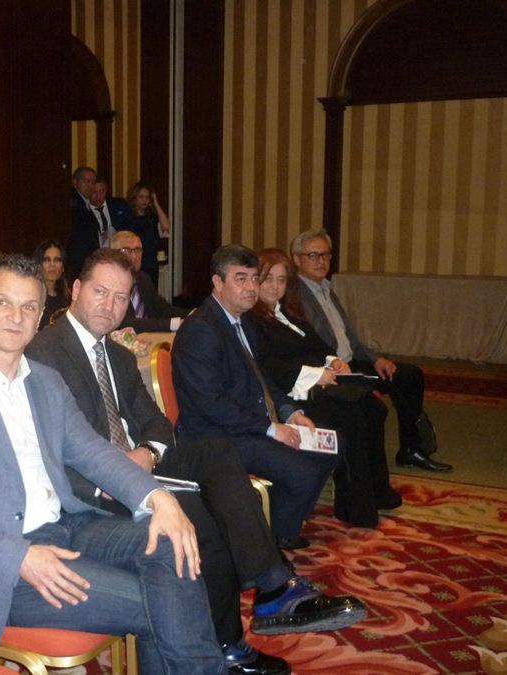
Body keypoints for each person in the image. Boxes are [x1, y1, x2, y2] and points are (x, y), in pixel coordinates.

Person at [26, 249, 364, 669]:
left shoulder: (116, 354)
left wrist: (147, 452)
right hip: (98, 483)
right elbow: (51, 448)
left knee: (218, 453)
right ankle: (230, 642)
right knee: (203, 522)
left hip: (140, 463)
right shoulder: (44, 353)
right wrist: (118, 473)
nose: (110, 305)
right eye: (100, 292)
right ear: (76, 289)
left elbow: (155, 421)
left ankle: (272, 584)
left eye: (120, 297)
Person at [0, 254, 234, 674]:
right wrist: (19, 556)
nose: (16, 317)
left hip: (67, 527)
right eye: (3, 303)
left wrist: (157, 497)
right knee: (163, 603)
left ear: (41, 316)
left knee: (169, 539)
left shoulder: (45, 381)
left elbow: (92, 451)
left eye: (29, 306)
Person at [172, 244, 338, 549]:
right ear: (217, 282)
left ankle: (278, 528)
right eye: (241, 279)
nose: (251, 288)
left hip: (247, 423)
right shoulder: (201, 331)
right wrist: (271, 429)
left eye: (253, 278)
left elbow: (262, 378)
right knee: (303, 473)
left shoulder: (245, 321)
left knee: (327, 449)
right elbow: (211, 404)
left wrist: (289, 412)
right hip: (215, 437)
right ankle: (268, 544)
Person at [252, 248, 401, 527]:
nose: (275, 287)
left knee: (374, 408)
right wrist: (317, 375)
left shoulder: (288, 314)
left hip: (319, 384)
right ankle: (355, 506)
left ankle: (377, 490)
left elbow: (319, 346)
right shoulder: (253, 320)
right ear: (255, 280)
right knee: (353, 416)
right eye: (268, 279)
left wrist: (334, 361)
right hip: (294, 394)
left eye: (281, 280)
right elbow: (268, 367)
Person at [291, 229, 452, 472]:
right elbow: (308, 345)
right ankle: (401, 450)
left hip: (352, 361)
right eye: (313, 255)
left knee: (408, 376)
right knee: (377, 403)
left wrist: (376, 360)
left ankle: (410, 449)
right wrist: (334, 366)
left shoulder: (325, 288)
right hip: (332, 370)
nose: (321, 261)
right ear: (296, 259)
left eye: (326, 255)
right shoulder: (295, 296)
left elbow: (351, 338)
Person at [112, 230, 189, 332]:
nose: (134, 256)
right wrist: (175, 324)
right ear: (113, 254)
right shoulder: (110, 283)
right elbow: (127, 323)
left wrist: (191, 314)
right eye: (126, 250)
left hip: (149, 337)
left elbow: (162, 309)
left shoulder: (143, 278)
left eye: (137, 250)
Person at [126, 181, 170, 287]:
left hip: (151, 263)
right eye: (141, 197)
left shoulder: (152, 217)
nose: (144, 200)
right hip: (136, 263)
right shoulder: (129, 217)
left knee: (151, 292)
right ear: (135, 198)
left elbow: (166, 226)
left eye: (147, 197)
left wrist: (156, 204)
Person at [66, 166, 100, 280]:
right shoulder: (73, 203)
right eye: (86, 181)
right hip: (77, 260)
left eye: (93, 182)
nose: (90, 185)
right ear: (75, 182)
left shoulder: (85, 203)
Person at [32, 239, 70, 330]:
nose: (52, 265)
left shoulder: (69, 299)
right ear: (38, 265)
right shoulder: (31, 297)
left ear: (63, 267)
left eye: (57, 260)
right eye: (46, 260)